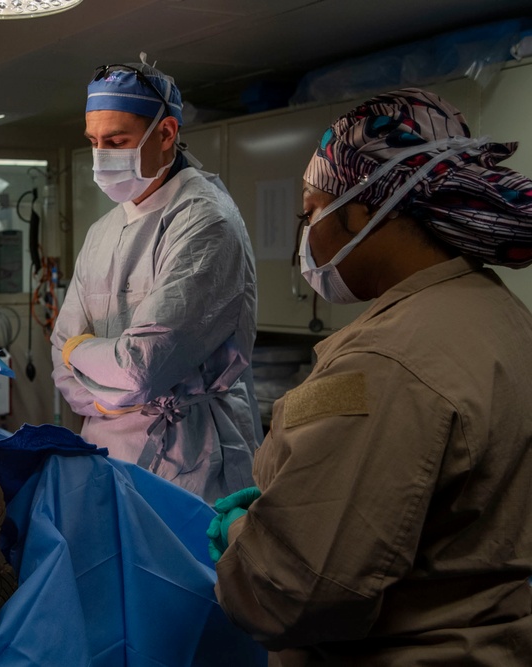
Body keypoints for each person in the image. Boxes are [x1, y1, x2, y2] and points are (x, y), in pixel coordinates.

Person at [210, 88, 532, 665]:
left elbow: (291, 594)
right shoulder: (500, 315)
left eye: (310, 212)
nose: (305, 236)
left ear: (363, 208)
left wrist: (244, 535)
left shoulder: (386, 364)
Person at [51, 56, 262, 504]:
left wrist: (80, 353)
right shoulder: (102, 231)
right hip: (108, 455)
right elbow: (60, 364)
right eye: (93, 141)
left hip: (193, 461)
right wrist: (105, 384)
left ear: (166, 133)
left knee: (192, 570)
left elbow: (141, 366)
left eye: (117, 140)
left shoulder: (205, 221)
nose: (102, 155)